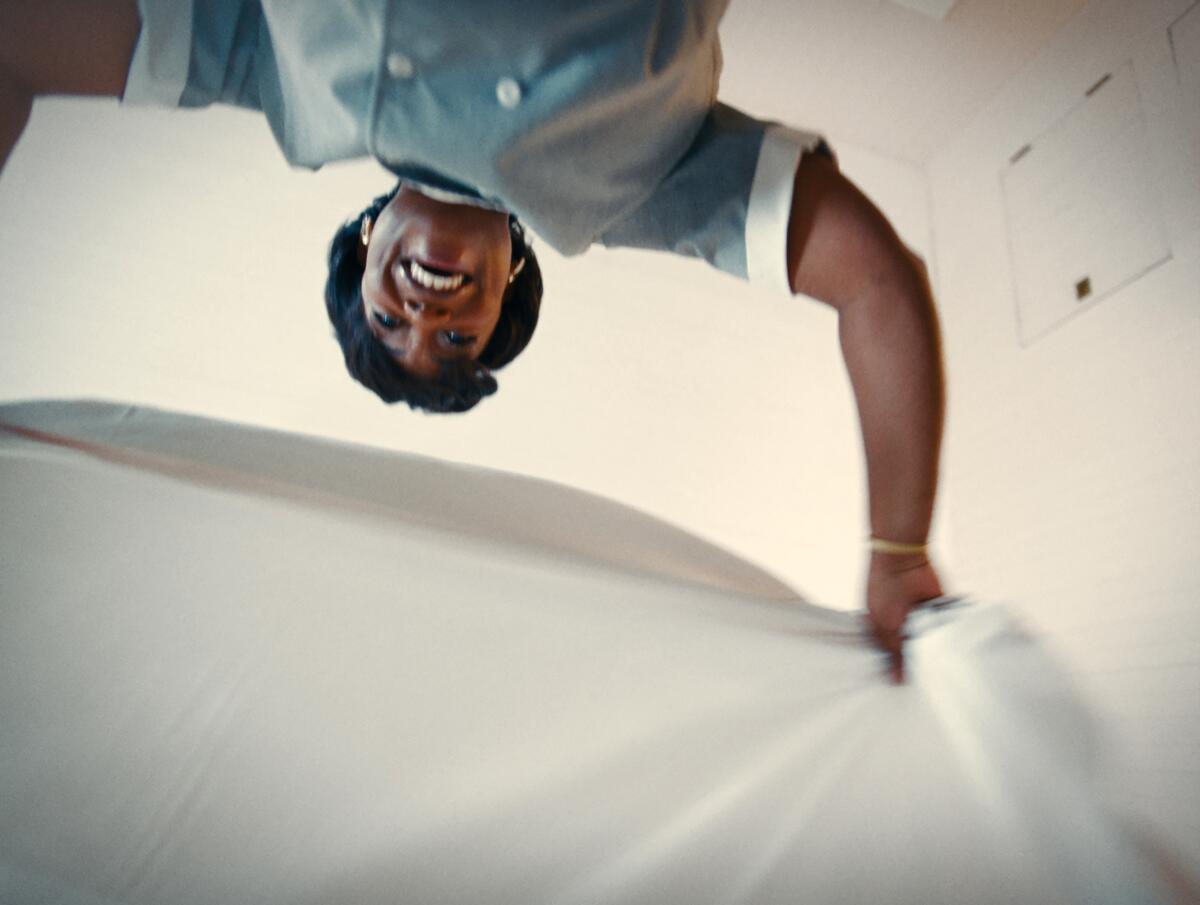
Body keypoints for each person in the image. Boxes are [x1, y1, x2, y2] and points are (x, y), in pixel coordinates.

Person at [0, 0, 946, 678]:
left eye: (388, 318)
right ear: (511, 291)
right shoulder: (634, 197)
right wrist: (897, 547)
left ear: (367, 246)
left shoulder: (279, 80)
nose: (428, 314)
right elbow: (872, 283)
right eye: (457, 341)